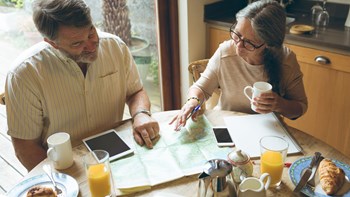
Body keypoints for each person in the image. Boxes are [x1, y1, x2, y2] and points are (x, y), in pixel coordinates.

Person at [5, 0, 159, 171]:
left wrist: (141, 113)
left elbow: (135, 91)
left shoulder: (115, 47)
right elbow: (25, 147)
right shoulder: (24, 74)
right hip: (64, 167)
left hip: (116, 154)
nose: (92, 46)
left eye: (91, 32)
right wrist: (62, 182)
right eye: (77, 43)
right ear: (52, 43)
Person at [170, 0, 307, 130]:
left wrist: (280, 104)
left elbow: (300, 108)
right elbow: (201, 88)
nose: (238, 46)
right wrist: (192, 101)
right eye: (237, 34)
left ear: (268, 45)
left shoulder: (286, 60)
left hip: (268, 131)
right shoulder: (225, 52)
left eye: (249, 42)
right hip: (226, 125)